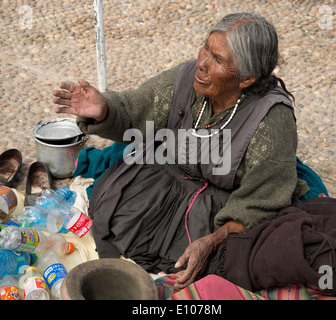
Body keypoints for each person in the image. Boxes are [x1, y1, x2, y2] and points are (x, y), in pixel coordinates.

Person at [52, 13, 310, 290]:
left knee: (214, 267)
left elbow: (261, 200)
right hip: (166, 177)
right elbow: (138, 106)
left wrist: (214, 239)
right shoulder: (188, 78)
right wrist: (105, 109)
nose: (202, 63)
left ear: (247, 78)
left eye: (219, 61)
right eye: (206, 48)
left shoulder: (272, 123)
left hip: (220, 204)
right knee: (112, 217)